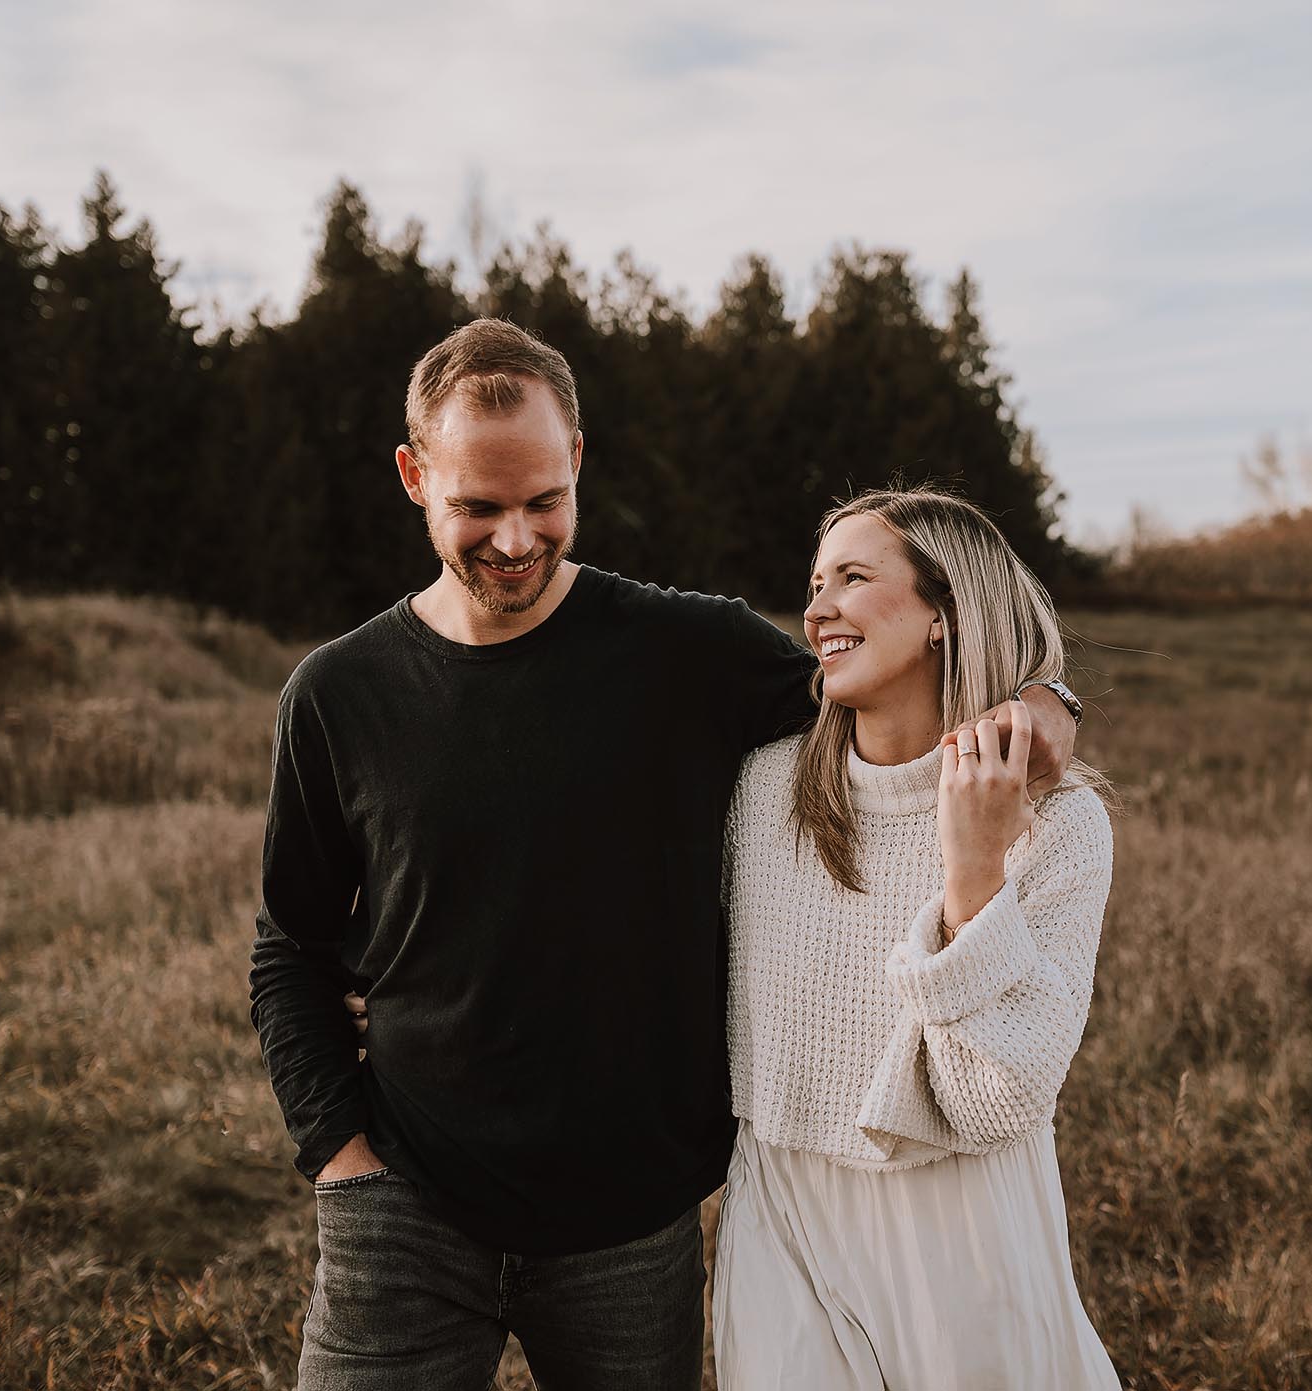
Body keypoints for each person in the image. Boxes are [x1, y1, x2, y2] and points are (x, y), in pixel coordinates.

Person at [249, 317, 1082, 1391]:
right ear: (414, 476)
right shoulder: (336, 694)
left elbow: (884, 694)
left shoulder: (690, 652)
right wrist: (340, 1158)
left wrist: (1040, 693)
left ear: (578, 461)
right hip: (404, 1207)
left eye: (543, 501)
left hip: (630, 1227)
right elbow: (290, 949)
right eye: (476, 506)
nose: (513, 538)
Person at [710, 487, 1119, 1387]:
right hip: (783, 1217)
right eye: (816, 583)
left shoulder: (1059, 822)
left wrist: (973, 868)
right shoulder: (764, 791)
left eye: (854, 578)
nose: (818, 609)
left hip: (962, 1229)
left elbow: (997, 1100)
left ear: (943, 612)